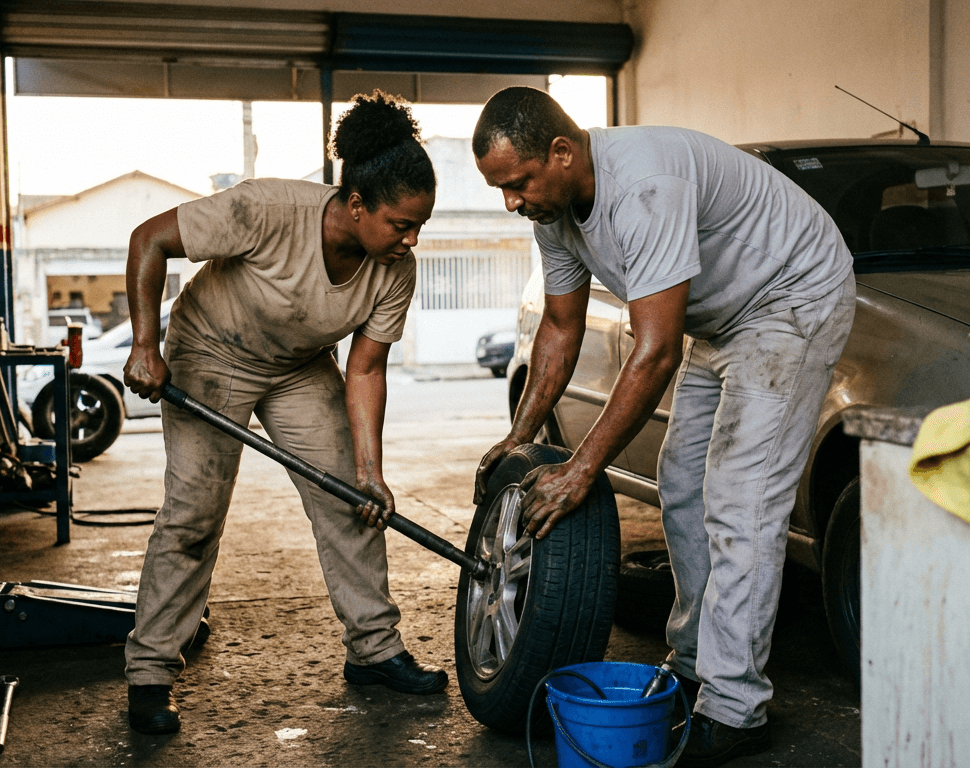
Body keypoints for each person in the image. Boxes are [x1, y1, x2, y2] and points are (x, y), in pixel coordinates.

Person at [470, 87, 855, 767]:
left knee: (742, 499)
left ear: (562, 152)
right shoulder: (554, 213)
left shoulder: (644, 183)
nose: (512, 200)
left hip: (792, 300)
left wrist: (581, 469)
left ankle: (735, 706)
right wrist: (518, 437)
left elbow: (654, 354)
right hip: (720, 319)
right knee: (681, 484)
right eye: (501, 188)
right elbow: (560, 327)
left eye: (518, 182)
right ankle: (694, 663)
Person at [121, 91, 446, 736]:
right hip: (212, 350)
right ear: (356, 204)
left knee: (352, 499)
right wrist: (143, 345)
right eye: (401, 224)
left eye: (420, 226)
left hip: (297, 367)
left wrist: (370, 468)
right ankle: (151, 669)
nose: (411, 240)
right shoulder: (267, 209)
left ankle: (375, 649)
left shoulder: (393, 269)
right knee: (194, 512)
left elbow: (366, 368)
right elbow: (149, 239)